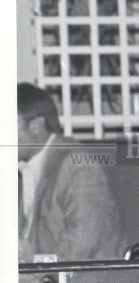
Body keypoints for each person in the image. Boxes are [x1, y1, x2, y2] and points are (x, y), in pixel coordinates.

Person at [17, 83, 125, 262]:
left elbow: (82, 245)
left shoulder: (78, 166)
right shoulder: (22, 170)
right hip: (40, 281)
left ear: (36, 126)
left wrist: (30, 264)